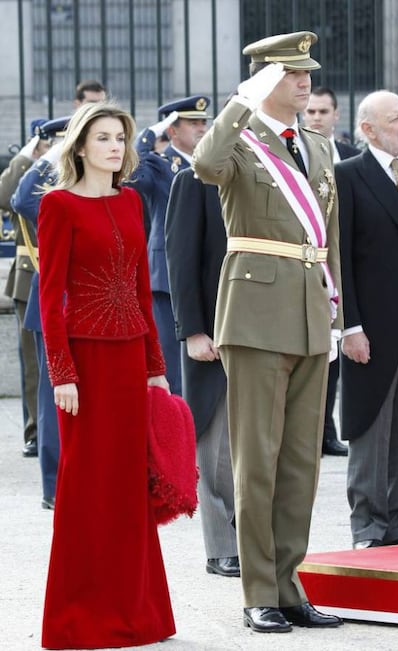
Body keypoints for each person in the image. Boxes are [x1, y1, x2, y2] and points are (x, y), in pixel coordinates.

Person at [193, 31, 343, 633]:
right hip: (255, 316)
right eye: (290, 74)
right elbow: (205, 165)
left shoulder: (317, 144)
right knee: (257, 459)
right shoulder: (239, 139)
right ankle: (258, 591)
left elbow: (326, 239)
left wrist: (336, 312)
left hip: (310, 313)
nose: (304, 82)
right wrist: (241, 101)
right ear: (262, 80)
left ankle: (288, 586)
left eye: (307, 73)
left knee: (301, 464)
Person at [37, 101, 175, 649]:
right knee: (84, 489)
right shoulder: (59, 206)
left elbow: (142, 291)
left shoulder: (133, 201)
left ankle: (138, 616)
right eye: (103, 138)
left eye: (120, 137)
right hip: (85, 368)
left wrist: (155, 369)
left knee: (129, 490)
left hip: (128, 364)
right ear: (80, 146)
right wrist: (62, 373)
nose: (115, 147)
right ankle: (76, 619)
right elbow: (50, 302)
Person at [11, 82, 107, 509]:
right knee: (56, 405)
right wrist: (49, 153)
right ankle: (55, 486)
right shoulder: (51, 188)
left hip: (96, 310)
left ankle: (86, 479)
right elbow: (17, 199)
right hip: (55, 306)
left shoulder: (101, 181)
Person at [336, 90, 398, 550]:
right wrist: (349, 325)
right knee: (371, 422)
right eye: (394, 119)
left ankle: (397, 518)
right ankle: (367, 523)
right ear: (367, 129)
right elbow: (340, 256)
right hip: (371, 325)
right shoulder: (349, 176)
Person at [165, 167, 239, 577]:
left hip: (264, 329)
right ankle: (222, 545)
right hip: (213, 330)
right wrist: (192, 330)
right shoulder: (195, 178)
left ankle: (256, 543)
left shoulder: (277, 169)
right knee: (216, 449)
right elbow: (181, 255)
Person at [130, 95, 210, 395]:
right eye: (193, 123)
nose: (201, 128)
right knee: (173, 364)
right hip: (168, 275)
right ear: (172, 130)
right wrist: (150, 134)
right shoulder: (158, 163)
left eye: (204, 122)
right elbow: (132, 176)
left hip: (208, 270)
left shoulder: (212, 163)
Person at [303, 86, 360, 457]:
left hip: (344, 260)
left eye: (324, 111)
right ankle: (312, 431)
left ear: (337, 115)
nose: (317, 118)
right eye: (311, 112)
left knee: (335, 352)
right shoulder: (298, 155)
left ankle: (328, 430)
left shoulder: (352, 157)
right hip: (310, 261)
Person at [1, 119, 50, 457]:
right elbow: (6, 198)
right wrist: (26, 158)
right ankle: (35, 430)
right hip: (28, 274)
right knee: (33, 361)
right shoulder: (28, 172)